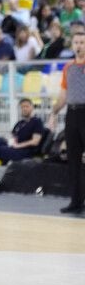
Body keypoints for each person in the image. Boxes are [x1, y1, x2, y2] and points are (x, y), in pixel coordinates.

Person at [49, 31, 85, 214]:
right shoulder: (68, 67)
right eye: (76, 42)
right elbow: (63, 95)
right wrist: (53, 112)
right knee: (74, 160)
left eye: (82, 42)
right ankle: (76, 201)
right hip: (72, 114)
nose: (79, 45)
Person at [0, 98, 44, 163]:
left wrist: (18, 145)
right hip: (14, 147)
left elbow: (35, 141)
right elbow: (11, 138)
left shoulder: (36, 122)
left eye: (27, 106)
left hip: (25, 151)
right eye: (22, 107)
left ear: (32, 108)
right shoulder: (19, 123)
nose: (24, 109)